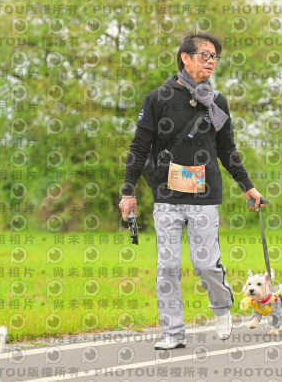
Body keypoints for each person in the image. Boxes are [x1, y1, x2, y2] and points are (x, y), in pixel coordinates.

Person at [118, 32, 264, 350]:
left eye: (214, 57)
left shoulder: (217, 103)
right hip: (167, 195)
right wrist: (128, 192)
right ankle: (173, 332)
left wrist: (248, 186)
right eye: (204, 55)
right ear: (185, 57)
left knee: (206, 264)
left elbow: (227, 150)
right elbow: (139, 148)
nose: (211, 61)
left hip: (205, 194)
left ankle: (222, 308)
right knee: (167, 267)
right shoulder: (157, 99)